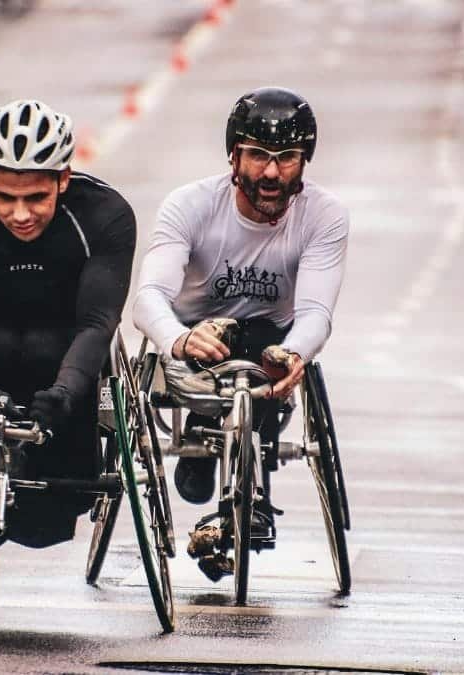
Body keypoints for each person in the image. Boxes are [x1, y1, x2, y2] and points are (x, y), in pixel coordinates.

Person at [132, 86, 349, 579]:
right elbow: (147, 299)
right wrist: (179, 340)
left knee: (263, 344)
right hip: (192, 338)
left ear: (303, 161)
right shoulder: (190, 205)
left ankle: (252, 494)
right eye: (257, 156)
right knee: (226, 340)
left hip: (267, 340)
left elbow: (316, 311)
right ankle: (203, 441)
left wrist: (294, 354)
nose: (271, 173)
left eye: (286, 158)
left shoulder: (325, 216)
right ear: (234, 155)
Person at [0, 99, 137, 548]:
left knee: (45, 529)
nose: (20, 215)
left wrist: (66, 393)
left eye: (36, 197)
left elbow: (98, 322)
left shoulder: (105, 215)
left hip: (63, 354)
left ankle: (48, 474)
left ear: (64, 179)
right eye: (5, 197)